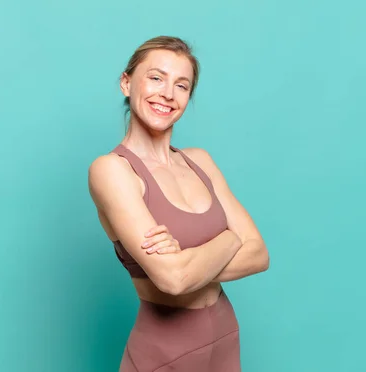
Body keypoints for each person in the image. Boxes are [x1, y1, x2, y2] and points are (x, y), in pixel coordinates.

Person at [87, 36, 270, 372]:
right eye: (156, 78)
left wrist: (186, 261)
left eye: (181, 85)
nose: (168, 94)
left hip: (225, 337)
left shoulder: (200, 161)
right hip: (165, 352)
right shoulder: (112, 170)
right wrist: (231, 239)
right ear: (127, 83)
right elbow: (173, 281)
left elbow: (259, 254)